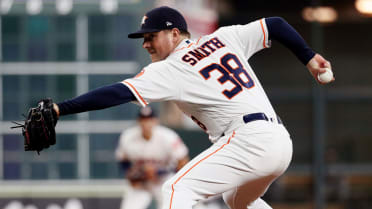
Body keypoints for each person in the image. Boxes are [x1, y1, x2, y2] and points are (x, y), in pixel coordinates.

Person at [45, 6, 334, 209]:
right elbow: (276, 25)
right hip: (280, 142)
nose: (145, 44)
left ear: (173, 33)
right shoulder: (224, 38)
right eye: (143, 38)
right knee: (236, 201)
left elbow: (116, 93)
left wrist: (60, 109)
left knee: (175, 189)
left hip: (248, 141)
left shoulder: (171, 68)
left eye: (151, 35)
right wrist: (308, 57)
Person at [115, 106, 189, 209]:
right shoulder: (127, 136)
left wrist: (159, 172)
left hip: (165, 180)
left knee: (171, 206)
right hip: (141, 182)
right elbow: (123, 160)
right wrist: (131, 174)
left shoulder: (168, 136)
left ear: (156, 121)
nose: (146, 123)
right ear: (138, 121)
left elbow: (183, 162)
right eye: (143, 120)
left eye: (150, 119)